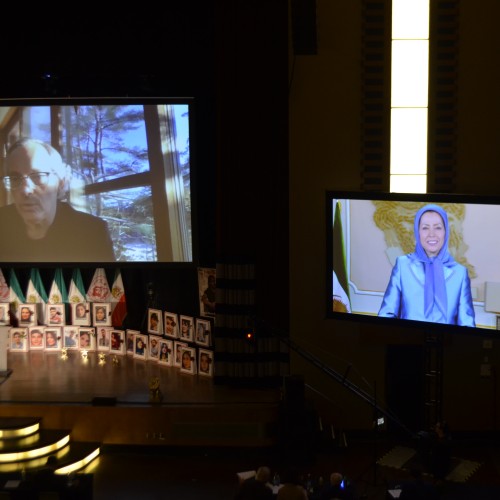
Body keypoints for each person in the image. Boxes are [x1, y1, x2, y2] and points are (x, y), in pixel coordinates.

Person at [0, 138, 115, 262]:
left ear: (60, 183)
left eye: (38, 176)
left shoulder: (92, 233)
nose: (25, 190)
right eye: (15, 179)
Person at [378, 204, 475, 327]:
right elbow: (386, 314)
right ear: (417, 232)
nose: (431, 234)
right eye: (425, 228)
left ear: (446, 232)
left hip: (447, 344)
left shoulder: (460, 273)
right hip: (407, 342)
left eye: (438, 228)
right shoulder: (402, 265)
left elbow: (467, 325)